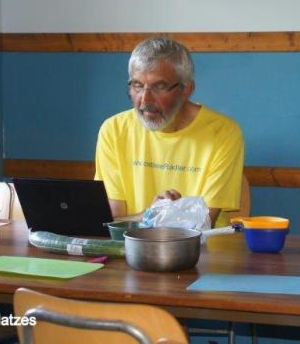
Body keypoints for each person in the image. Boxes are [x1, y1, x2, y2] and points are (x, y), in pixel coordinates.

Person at [94, 38, 244, 227]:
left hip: (201, 246)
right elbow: (111, 223)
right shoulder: (114, 130)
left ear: (187, 89)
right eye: (137, 85)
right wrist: (150, 214)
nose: (145, 100)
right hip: (128, 244)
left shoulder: (223, 133)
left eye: (159, 87)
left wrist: (154, 216)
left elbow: (202, 223)